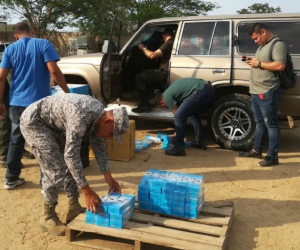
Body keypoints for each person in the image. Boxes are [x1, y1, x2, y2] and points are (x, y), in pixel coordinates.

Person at [20, 94, 128, 236]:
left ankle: (73, 207)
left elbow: (99, 147)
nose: (109, 137)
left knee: (71, 165)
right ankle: (47, 216)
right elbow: (70, 155)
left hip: (55, 125)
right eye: (110, 134)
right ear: (108, 121)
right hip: (35, 123)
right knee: (56, 168)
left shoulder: (98, 117)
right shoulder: (81, 116)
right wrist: (86, 190)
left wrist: (108, 177)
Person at [0, 22, 70, 189]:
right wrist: (68, 93)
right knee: (43, 141)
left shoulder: (10, 49)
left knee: (16, 140)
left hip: (16, 103)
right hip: (40, 104)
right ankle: (46, 182)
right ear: (31, 32)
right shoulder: (43, 44)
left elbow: (1, 77)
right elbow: (54, 71)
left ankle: (11, 178)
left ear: (16, 35)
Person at [238, 23, 286, 167]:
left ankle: (272, 156)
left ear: (263, 32)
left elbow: (279, 65)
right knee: (259, 123)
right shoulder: (263, 46)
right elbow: (264, 63)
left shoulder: (278, 45)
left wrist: (258, 63)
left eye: (256, 38)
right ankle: (256, 149)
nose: (255, 41)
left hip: (267, 91)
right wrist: (252, 61)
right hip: (256, 90)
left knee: (271, 124)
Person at [159, 77, 215, 156]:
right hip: (209, 90)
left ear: (161, 103)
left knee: (179, 115)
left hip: (199, 91)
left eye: (164, 107)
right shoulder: (172, 92)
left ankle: (179, 147)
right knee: (193, 114)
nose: (167, 107)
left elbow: (178, 116)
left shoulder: (166, 96)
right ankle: (199, 142)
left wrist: (177, 133)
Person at [132, 28, 174, 113]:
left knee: (139, 77)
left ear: (163, 36)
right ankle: (150, 98)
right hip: (167, 71)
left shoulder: (168, 43)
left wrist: (143, 48)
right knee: (147, 74)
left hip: (164, 72)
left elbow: (152, 55)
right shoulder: (173, 43)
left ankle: (144, 105)